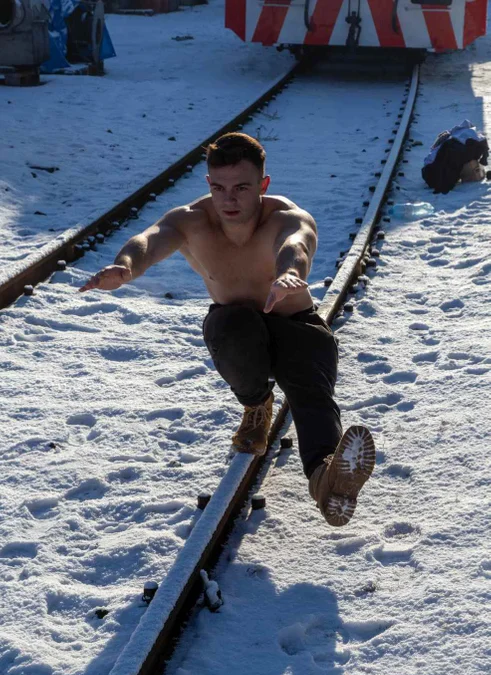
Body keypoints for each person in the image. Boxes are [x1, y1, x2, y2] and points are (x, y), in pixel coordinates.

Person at [80, 133, 375, 526]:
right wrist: (126, 266)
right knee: (230, 322)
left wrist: (288, 273)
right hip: (237, 333)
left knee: (311, 394)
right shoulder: (191, 221)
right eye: (218, 187)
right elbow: (149, 240)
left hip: (296, 326)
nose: (229, 199)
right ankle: (257, 406)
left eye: (241, 187)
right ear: (208, 185)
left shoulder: (287, 217)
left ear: (263, 185)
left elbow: (297, 245)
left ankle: (326, 478)